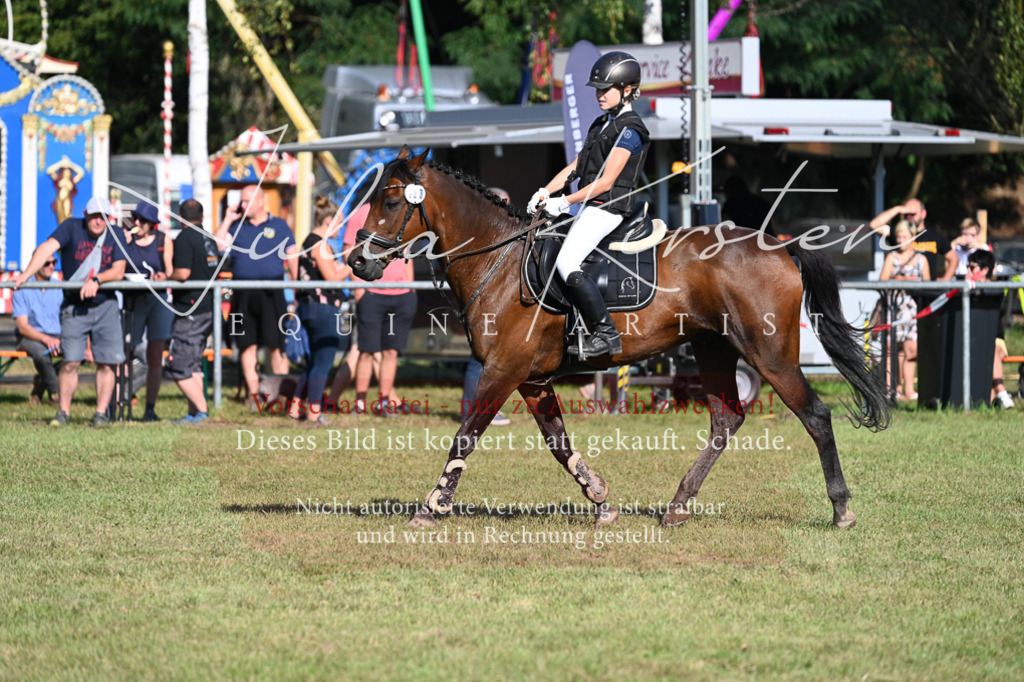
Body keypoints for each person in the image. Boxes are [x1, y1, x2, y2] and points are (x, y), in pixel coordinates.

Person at [527, 51, 650, 357]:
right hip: (589, 206)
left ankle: (606, 334)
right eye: (596, 89)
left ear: (626, 90)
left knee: (567, 262)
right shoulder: (601, 124)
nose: (599, 95)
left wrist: (563, 201)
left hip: (609, 208)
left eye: (604, 89)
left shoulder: (630, 130)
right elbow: (576, 167)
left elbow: (606, 182)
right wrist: (545, 191)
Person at [12, 196, 128, 427]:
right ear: (85, 214)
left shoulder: (116, 234)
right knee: (71, 361)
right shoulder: (71, 227)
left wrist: (96, 279)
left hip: (105, 306)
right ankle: (63, 412)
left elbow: (118, 270)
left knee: (106, 363)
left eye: (103, 217)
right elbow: (47, 248)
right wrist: (26, 275)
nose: (98, 221)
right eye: (94, 215)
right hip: (75, 307)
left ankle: (101, 414)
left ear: (109, 218)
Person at [215, 185, 298, 406]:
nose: (243, 204)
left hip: (272, 293)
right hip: (242, 294)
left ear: (261, 201)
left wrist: (297, 286)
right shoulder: (236, 226)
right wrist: (227, 219)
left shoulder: (279, 225)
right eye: (241, 200)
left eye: (247, 200)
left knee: (276, 346)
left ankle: (281, 396)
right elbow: (217, 244)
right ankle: (255, 398)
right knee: (247, 345)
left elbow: (292, 255)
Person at [344, 202, 417, 416]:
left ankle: (384, 402)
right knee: (366, 351)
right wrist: (360, 289)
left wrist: (410, 288)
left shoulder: (402, 212)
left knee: (391, 352)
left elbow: (407, 255)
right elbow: (348, 252)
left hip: (401, 294)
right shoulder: (361, 213)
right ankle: (359, 404)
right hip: (372, 293)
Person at [288, 195, 353, 423]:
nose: (341, 227)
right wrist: (352, 263)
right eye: (340, 222)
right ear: (328, 221)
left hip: (308, 307)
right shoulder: (320, 243)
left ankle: (296, 408)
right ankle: (315, 412)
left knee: (314, 362)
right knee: (323, 363)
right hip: (323, 309)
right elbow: (333, 279)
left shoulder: (308, 240)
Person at [461, 186, 512, 426]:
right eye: (504, 204)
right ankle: (474, 412)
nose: (508, 209)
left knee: (491, 358)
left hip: (496, 301)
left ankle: (478, 411)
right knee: (480, 358)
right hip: (484, 303)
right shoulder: (482, 231)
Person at [166, 198, 219, 424]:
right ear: (202, 216)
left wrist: (166, 275)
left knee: (177, 365)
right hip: (208, 307)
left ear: (180, 217)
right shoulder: (209, 238)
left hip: (191, 308)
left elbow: (183, 273)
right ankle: (194, 414)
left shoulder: (185, 238)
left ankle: (202, 411)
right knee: (193, 363)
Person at [123, 201, 174, 421]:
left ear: (152, 223)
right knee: (125, 352)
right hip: (133, 299)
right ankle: (121, 402)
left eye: (142, 220)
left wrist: (164, 276)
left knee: (155, 355)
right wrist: (122, 245)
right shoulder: (126, 240)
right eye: (135, 218)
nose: (137, 223)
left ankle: (150, 408)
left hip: (158, 300)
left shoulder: (164, 241)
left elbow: (170, 271)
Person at [879, 220, 930, 401]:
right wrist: (900, 279)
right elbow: (882, 281)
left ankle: (909, 389)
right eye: (898, 237)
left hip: (913, 309)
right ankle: (891, 388)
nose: (901, 240)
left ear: (913, 238)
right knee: (891, 349)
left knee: (911, 349)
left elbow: (927, 285)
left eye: (905, 237)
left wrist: (913, 282)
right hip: (894, 308)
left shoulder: (921, 259)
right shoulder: (891, 257)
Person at [966, 250, 1015, 409]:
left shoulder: (997, 290)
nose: (968, 271)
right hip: (972, 338)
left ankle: (1001, 392)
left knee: (991, 349)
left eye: (972, 267)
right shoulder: (964, 289)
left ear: (985, 270)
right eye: (967, 266)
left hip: (994, 338)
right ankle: (991, 400)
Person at [12, 255, 63, 405]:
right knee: (41, 354)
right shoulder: (23, 287)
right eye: (47, 262)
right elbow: (23, 327)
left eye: (54, 262)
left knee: (77, 353)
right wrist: (46, 339)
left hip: (56, 336)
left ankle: (40, 383)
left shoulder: (60, 286)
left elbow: (66, 319)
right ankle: (56, 394)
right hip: (29, 337)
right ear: (36, 263)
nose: (52, 266)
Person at [870, 198, 956, 281]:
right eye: (906, 214)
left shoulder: (935, 236)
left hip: (926, 292)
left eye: (913, 213)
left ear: (923, 214)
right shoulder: (899, 233)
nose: (909, 216)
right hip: (900, 292)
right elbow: (874, 225)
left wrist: (946, 279)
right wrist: (898, 209)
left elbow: (953, 258)